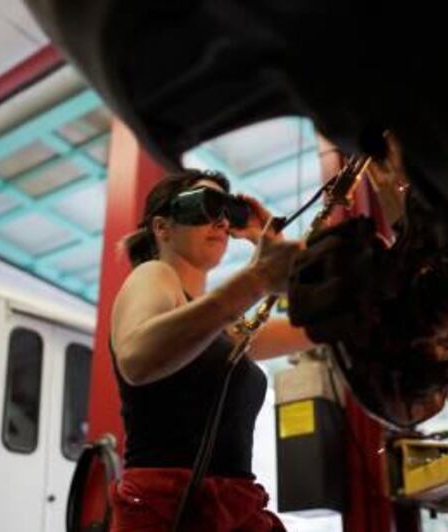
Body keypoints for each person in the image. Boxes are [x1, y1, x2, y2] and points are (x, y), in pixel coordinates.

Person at [108, 169, 314, 530]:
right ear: (162, 228)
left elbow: (317, 324)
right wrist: (258, 278)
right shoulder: (155, 276)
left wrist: (268, 244)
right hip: (169, 509)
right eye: (203, 206)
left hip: (232, 507)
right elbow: (136, 358)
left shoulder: (222, 327)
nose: (219, 220)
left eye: (225, 211)